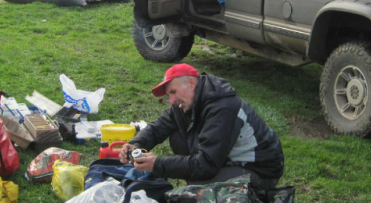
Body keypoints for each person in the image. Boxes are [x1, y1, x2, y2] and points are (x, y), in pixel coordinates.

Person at [119, 63, 284, 190]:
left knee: (198, 191)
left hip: (258, 170)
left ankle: (254, 196)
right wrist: (136, 143)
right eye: (169, 95)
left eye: (173, 92)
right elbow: (158, 127)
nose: (172, 100)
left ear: (191, 83)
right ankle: (199, 180)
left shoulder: (223, 107)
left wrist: (157, 164)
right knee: (177, 136)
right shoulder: (187, 102)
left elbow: (205, 165)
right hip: (223, 160)